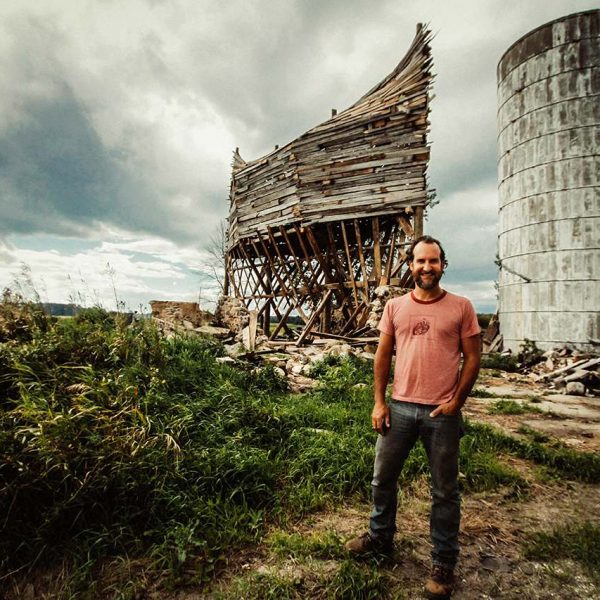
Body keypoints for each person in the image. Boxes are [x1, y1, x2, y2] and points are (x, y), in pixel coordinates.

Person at [346, 235, 481, 600]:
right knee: (382, 480)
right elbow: (382, 356)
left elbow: (473, 358)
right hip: (400, 408)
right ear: (410, 265)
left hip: (441, 414)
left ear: (443, 265)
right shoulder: (395, 307)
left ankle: (443, 564)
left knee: (444, 492)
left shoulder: (462, 307)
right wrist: (379, 402)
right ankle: (379, 538)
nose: (427, 267)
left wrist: (457, 402)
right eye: (420, 261)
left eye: (433, 261)